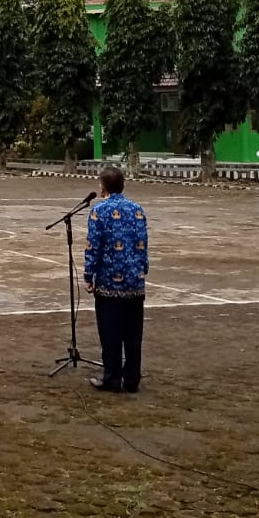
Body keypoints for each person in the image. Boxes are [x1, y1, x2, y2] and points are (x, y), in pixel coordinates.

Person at [83, 163, 149, 394]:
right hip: (134, 281)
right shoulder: (138, 209)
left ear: (103, 186)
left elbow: (94, 247)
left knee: (111, 333)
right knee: (133, 335)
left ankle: (112, 378)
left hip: (109, 281)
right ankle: (132, 379)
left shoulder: (98, 212)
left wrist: (88, 275)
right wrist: (143, 269)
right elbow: (143, 245)